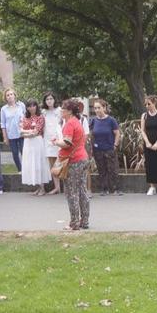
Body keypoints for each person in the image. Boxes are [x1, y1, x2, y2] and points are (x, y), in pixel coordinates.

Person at [57, 99, 91, 230]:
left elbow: (67, 143)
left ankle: (74, 223)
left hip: (73, 161)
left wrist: (56, 142)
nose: (61, 110)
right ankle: (85, 221)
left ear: (69, 111)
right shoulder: (77, 122)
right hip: (82, 158)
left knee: (71, 192)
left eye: (63, 108)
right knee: (82, 190)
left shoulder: (69, 124)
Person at [88, 99, 122, 196]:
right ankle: (104, 189)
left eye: (99, 108)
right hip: (97, 149)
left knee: (113, 169)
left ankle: (115, 189)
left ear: (104, 108)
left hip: (109, 148)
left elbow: (117, 133)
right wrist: (91, 146)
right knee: (101, 169)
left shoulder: (111, 120)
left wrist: (115, 145)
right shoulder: (93, 120)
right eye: (95, 108)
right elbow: (90, 134)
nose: (97, 110)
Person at [19, 100, 51, 195]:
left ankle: (43, 188)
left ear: (36, 106)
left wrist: (26, 132)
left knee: (38, 163)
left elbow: (36, 132)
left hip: (37, 142)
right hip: (28, 143)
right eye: (30, 106)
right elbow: (20, 131)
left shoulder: (40, 117)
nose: (32, 108)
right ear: (27, 108)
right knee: (31, 164)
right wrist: (29, 132)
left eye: (34, 105)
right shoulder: (25, 117)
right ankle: (38, 187)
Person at [40, 93, 63, 195]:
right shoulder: (43, 112)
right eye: (47, 99)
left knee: (61, 162)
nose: (49, 101)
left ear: (54, 100)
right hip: (47, 139)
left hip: (58, 138)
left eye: (51, 98)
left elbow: (63, 123)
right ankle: (56, 187)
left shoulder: (59, 110)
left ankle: (65, 186)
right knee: (51, 164)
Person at [0, 89, 26, 172]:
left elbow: (26, 118)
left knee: (24, 153)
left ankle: (26, 170)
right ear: (5, 98)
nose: (10, 96)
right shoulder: (3, 109)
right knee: (15, 153)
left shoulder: (21, 105)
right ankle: (20, 170)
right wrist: (5, 137)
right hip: (11, 135)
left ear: (14, 95)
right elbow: (3, 124)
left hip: (22, 134)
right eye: (8, 95)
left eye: (11, 94)